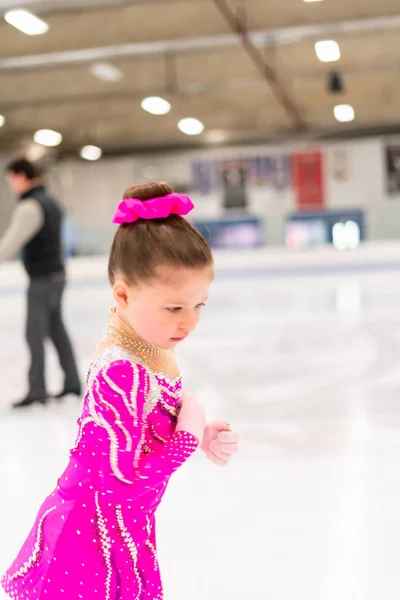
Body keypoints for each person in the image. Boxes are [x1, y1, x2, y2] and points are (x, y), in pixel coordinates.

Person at [1, 182, 240, 600]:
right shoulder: (120, 370)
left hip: (115, 534)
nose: (189, 322)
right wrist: (186, 435)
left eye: (199, 305)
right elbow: (119, 484)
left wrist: (195, 429)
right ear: (124, 295)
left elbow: (145, 423)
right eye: (174, 308)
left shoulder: (145, 345)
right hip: (85, 544)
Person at [0, 157, 81, 408]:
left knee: (34, 333)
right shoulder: (51, 202)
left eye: (11, 180)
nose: (11, 185)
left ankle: (37, 389)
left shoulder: (30, 206)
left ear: (21, 176)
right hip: (56, 275)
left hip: (43, 279)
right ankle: (72, 383)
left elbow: (10, 242)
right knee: (56, 330)